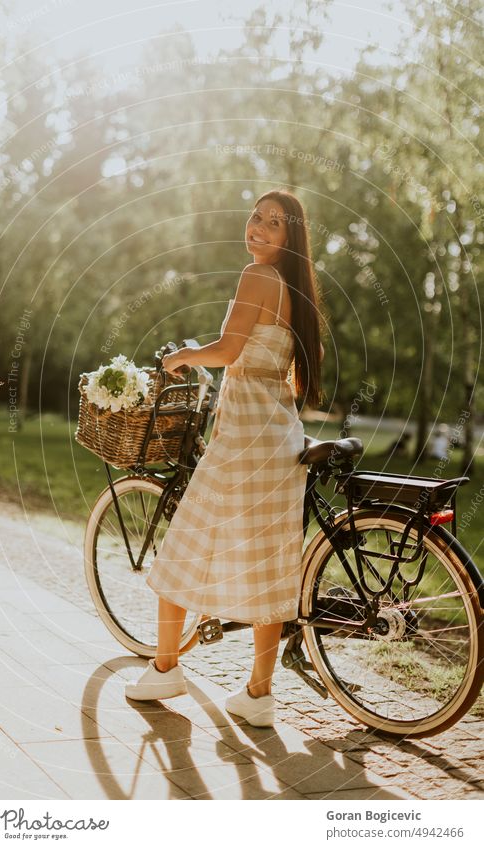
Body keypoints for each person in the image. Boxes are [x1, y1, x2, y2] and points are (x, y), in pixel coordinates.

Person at [124, 188, 324, 727]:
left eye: (272, 223)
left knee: (183, 547)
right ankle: (259, 696)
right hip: (280, 438)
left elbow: (229, 350)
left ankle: (167, 667)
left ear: (289, 237)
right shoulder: (295, 290)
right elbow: (274, 367)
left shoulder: (257, 276)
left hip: (243, 442)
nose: (257, 228)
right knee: (269, 565)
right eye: (255, 217)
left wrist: (184, 356)